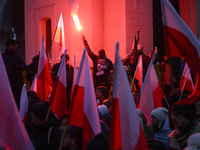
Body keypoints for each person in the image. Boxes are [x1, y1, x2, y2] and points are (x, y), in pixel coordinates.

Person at [2, 39, 27, 109]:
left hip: (18, 83)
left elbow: (24, 66)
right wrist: (18, 68)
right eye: (13, 45)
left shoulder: (17, 56)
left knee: (18, 101)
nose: (14, 46)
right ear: (8, 46)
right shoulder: (3, 57)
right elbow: (7, 69)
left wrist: (15, 66)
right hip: (10, 83)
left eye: (15, 45)